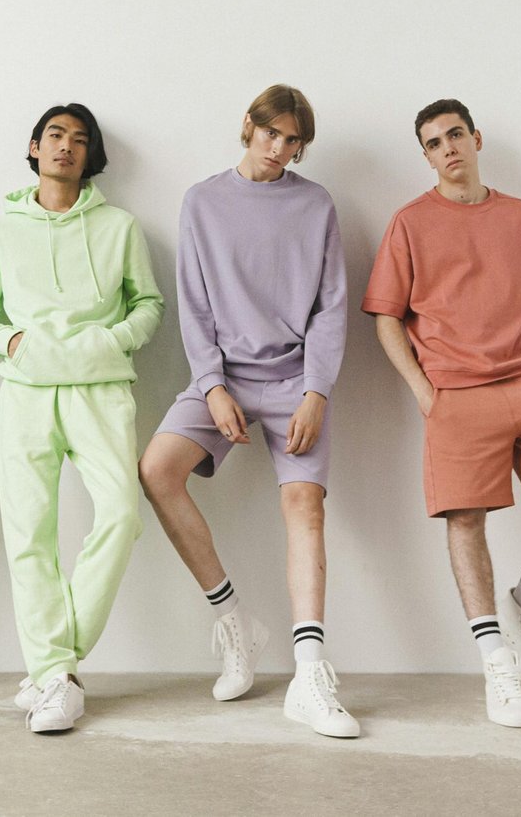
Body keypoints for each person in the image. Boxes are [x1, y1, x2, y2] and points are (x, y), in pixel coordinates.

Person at [364, 99, 521, 728]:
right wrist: (424, 392)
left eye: (454, 135)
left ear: (476, 139)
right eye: (432, 142)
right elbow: (386, 316)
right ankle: (496, 660)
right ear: (426, 156)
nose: (446, 148)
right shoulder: (409, 223)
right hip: (455, 392)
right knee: (465, 519)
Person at [139, 85, 359, 738]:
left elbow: (331, 305)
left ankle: (310, 674)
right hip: (225, 378)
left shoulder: (315, 204)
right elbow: (195, 303)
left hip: (296, 380)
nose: (281, 150)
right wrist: (211, 386)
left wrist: (317, 390)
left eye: (294, 142)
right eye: (273, 134)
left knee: (305, 506)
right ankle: (235, 623)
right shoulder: (202, 201)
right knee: (157, 470)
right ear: (249, 125)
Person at [0, 103, 163, 734]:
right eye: (55, 135)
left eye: (79, 139)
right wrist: (11, 342)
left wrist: (113, 341)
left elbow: (149, 305)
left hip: (100, 388)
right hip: (26, 391)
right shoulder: (4, 230)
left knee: (122, 514)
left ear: (89, 154)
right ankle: (57, 675)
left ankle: (54, 665)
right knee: (28, 533)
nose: (66, 146)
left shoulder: (120, 227)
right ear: (34, 147)